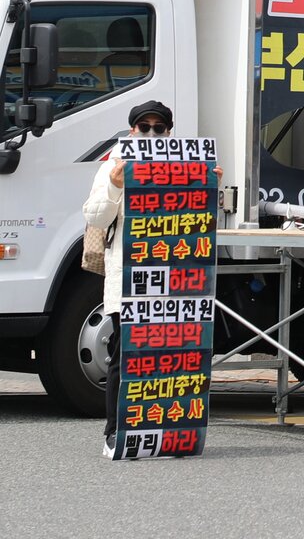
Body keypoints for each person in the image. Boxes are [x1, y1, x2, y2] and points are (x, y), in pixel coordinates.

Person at [82, 101, 175, 459]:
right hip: (130, 277)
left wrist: (206, 188)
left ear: (169, 131)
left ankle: (163, 430)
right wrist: (116, 186)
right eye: (144, 127)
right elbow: (96, 217)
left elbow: (201, 222)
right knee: (125, 355)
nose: (151, 133)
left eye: (158, 127)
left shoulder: (183, 163)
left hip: (173, 277)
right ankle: (115, 431)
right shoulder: (115, 163)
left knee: (167, 356)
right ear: (132, 131)